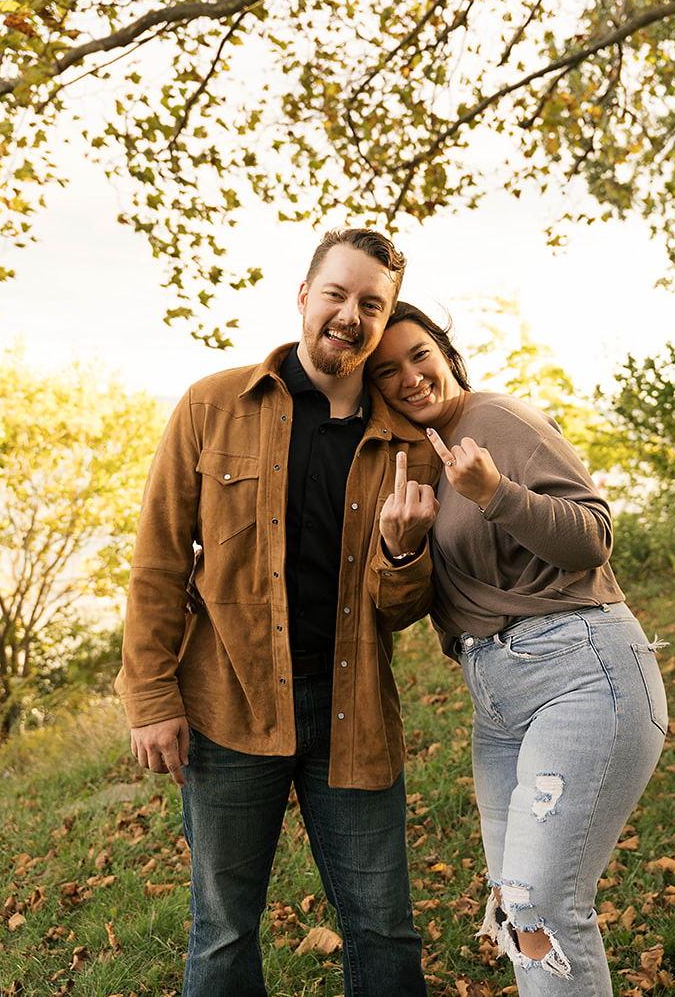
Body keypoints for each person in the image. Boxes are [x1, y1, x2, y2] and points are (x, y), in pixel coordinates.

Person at [116, 231, 440, 997]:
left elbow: (401, 610)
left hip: (352, 711)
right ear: (303, 295)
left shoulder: (407, 446)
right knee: (223, 930)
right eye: (336, 293)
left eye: (371, 304)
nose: (350, 314)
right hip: (227, 704)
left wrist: (402, 554)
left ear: (385, 317)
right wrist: (150, 697)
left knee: (383, 926)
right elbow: (158, 560)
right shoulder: (212, 405)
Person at [369, 302, 668, 996]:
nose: (410, 376)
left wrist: (496, 493)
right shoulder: (423, 454)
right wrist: (402, 547)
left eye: (419, 354)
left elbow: (592, 537)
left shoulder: (498, 419)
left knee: (542, 906)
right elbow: (421, 600)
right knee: (514, 907)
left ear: (446, 353)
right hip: (498, 701)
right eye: (387, 371)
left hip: (579, 673)